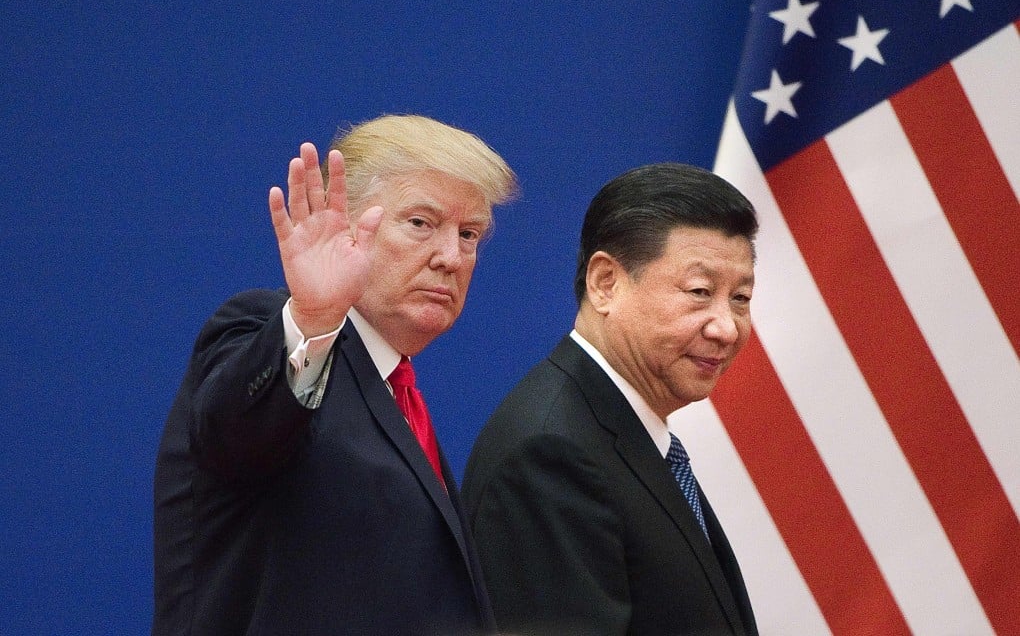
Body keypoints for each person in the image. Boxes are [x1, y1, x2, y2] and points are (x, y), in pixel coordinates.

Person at [153, 114, 517, 635]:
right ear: (344, 224)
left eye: (469, 234)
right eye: (420, 223)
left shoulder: (395, 386)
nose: (451, 257)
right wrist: (315, 320)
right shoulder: (267, 331)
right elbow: (237, 436)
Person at [462, 163, 759, 635]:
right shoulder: (550, 454)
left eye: (740, 298)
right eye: (700, 292)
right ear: (606, 283)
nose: (726, 327)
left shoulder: (625, 431)